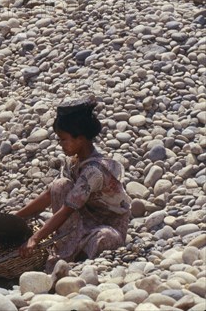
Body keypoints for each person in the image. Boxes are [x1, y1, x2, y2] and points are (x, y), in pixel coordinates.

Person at [16, 96, 131, 273]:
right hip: (83, 221)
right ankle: (69, 249)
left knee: (104, 238)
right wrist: (15, 218)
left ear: (81, 139)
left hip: (105, 225)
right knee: (60, 184)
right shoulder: (75, 162)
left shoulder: (94, 171)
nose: (60, 144)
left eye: (63, 139)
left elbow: (67, 210)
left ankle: (73, 260)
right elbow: (50, 194)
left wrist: (35, 239)